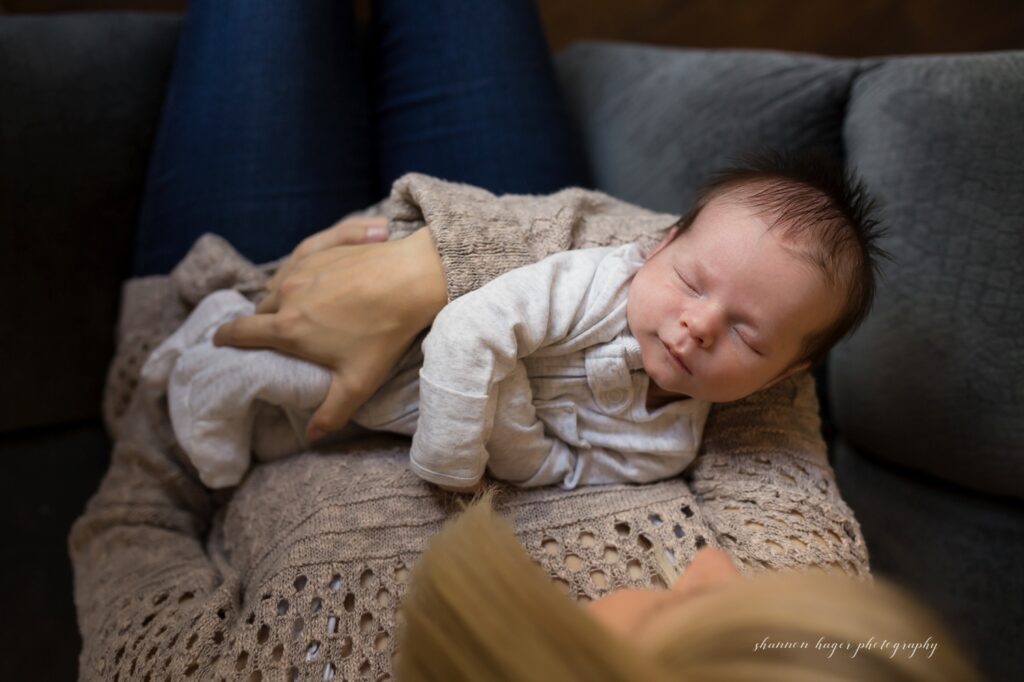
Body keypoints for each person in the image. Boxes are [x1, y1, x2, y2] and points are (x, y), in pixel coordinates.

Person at [69, 2, 978, 680]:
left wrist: (194, 366)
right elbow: (721, 272)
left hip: (258, 295)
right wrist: (432, 266)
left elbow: (134, 533)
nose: (712, 568)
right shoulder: (802, 641)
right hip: (507, 231)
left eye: (681, 615)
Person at [149, 150, 885, 493]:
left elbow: (554, 470)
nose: (698, 325)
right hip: (417, 335)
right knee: (302, 371)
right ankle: (217, 355)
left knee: (299, 430)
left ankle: (220, 330)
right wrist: (450, 462)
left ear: (784, 374)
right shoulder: (602, 284)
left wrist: (510, 424)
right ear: (658, 247)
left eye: (746, 335)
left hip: (434, 407)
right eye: (691, 282)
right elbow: (470, 325)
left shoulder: (664, 447)